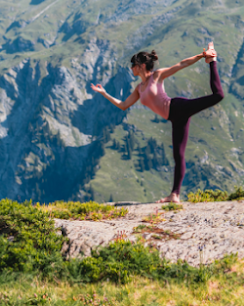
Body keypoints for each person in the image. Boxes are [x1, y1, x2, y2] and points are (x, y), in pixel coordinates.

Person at [90, 42, 224, 203]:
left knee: (218, 96)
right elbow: (123, 105)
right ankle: (174, 195)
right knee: (178, 155)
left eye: (133, 65)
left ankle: (212, 61)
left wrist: (202, 56)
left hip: (178, 107)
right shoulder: (139, 88)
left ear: (140, 66)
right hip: (174, 118)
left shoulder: (157, 76)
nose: (131, 68)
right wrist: (104, 93)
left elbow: (181, 64)